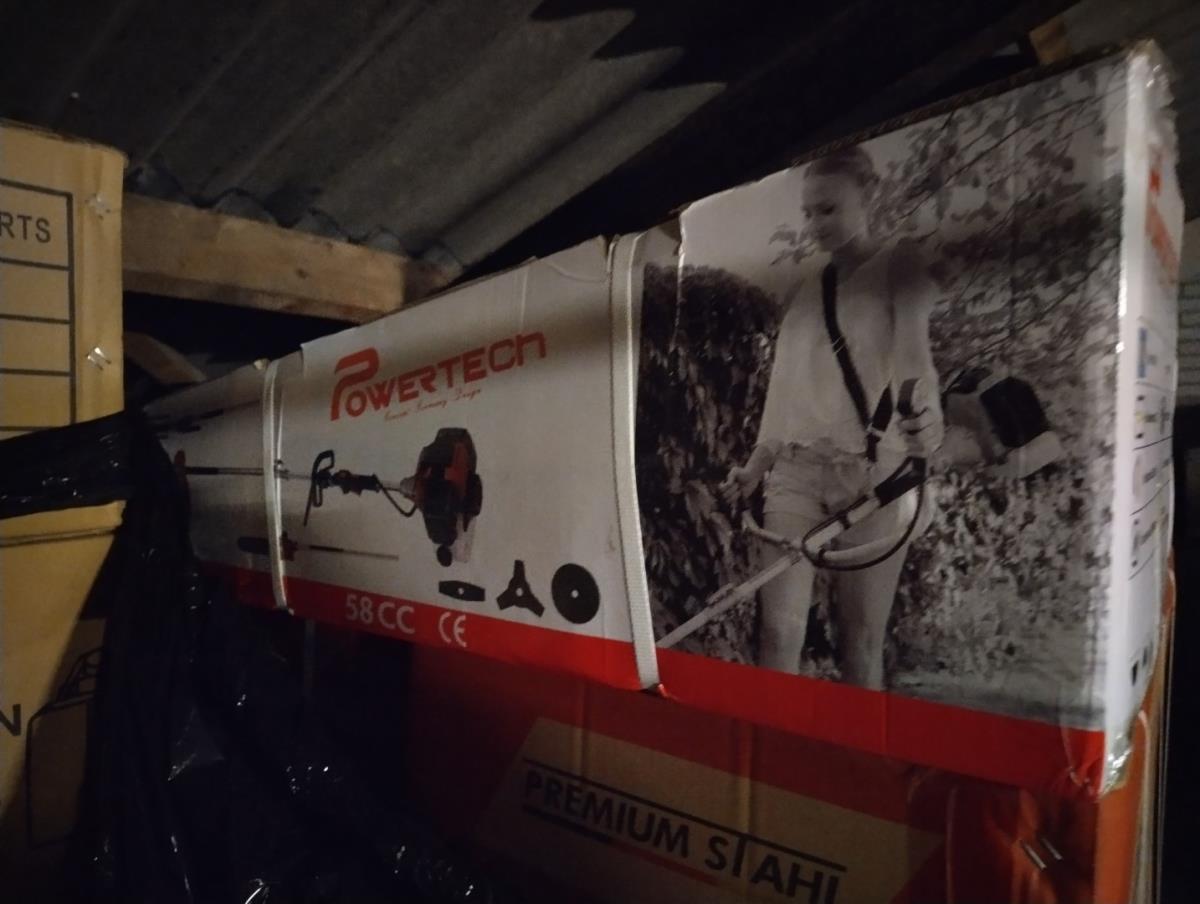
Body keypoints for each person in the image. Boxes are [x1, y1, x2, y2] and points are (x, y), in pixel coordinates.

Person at [721, 146, 943, 690]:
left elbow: (914, 356)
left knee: (860, 641)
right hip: (796, 474)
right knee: (779, 632)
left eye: (829, 209)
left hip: (873, 478)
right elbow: (783, 393)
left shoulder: (900, 266)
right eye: (809, 212)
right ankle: (772, 737)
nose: (816, 223)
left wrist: (925, 414)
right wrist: (756, 466)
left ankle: (859, 743)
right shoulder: (806, 292)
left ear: (869, 197)